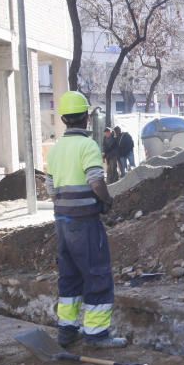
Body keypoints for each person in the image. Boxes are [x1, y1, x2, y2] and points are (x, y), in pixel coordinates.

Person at [45, 91, 126, 350]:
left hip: (62, 222)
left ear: (64, 118)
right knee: (97, 274)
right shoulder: (88, 146)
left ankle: (67, 331)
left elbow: (49, 187)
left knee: (69, 277)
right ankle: (97, 334)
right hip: (85, 223)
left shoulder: (56, 149)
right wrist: (108, 200)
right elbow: (96, 181)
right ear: (86, 117)